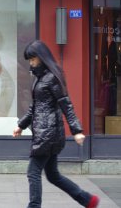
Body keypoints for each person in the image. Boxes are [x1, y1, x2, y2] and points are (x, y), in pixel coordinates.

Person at [12, 40, 100, 208]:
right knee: (53, 175)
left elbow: (65, 103)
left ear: (41, 57)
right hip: (46, 132)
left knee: (33, 172)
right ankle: (88, 200)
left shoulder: (51, 77)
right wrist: (21, 125)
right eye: (29, 60)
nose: (31, 63)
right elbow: (35, 106)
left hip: (48, 133)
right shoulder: (40, 77)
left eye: (32, 59)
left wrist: (77, 130)